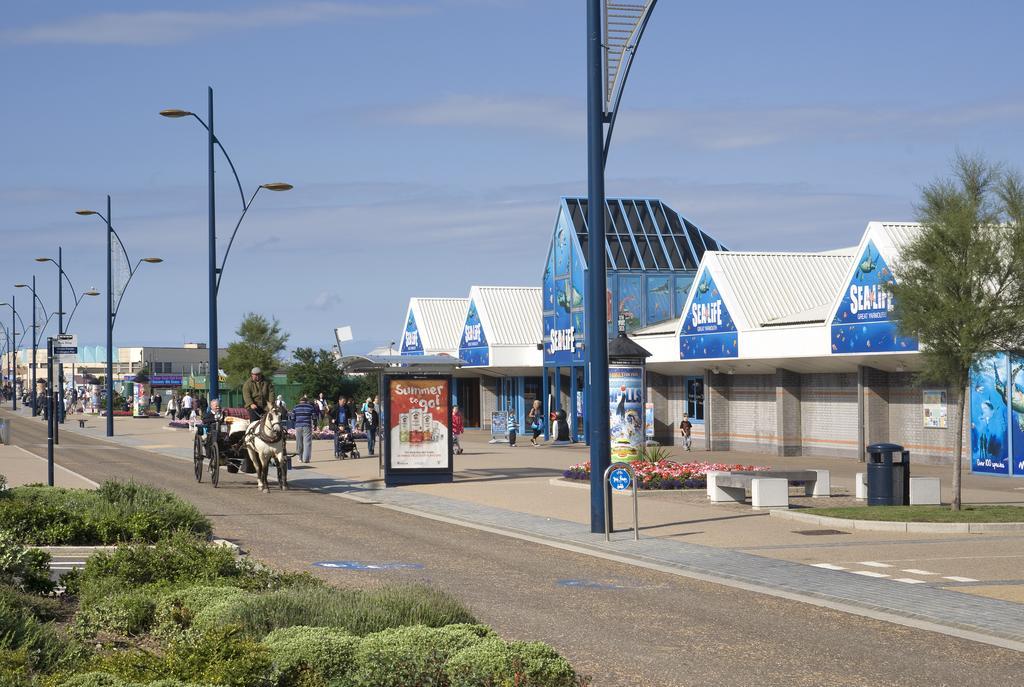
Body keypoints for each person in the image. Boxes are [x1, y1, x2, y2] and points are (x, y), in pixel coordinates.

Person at [290, 395, 319, 465]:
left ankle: (300, 458)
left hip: (298, 426)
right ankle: (306, 459)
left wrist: (295, 422)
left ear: (300, 401)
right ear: (306, 401)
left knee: (299, 442)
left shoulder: (296, 407)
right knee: (307, 443)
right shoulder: (310, 407)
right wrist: (315, 425)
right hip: (307, 426)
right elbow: (314, 417)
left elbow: (292, 418)